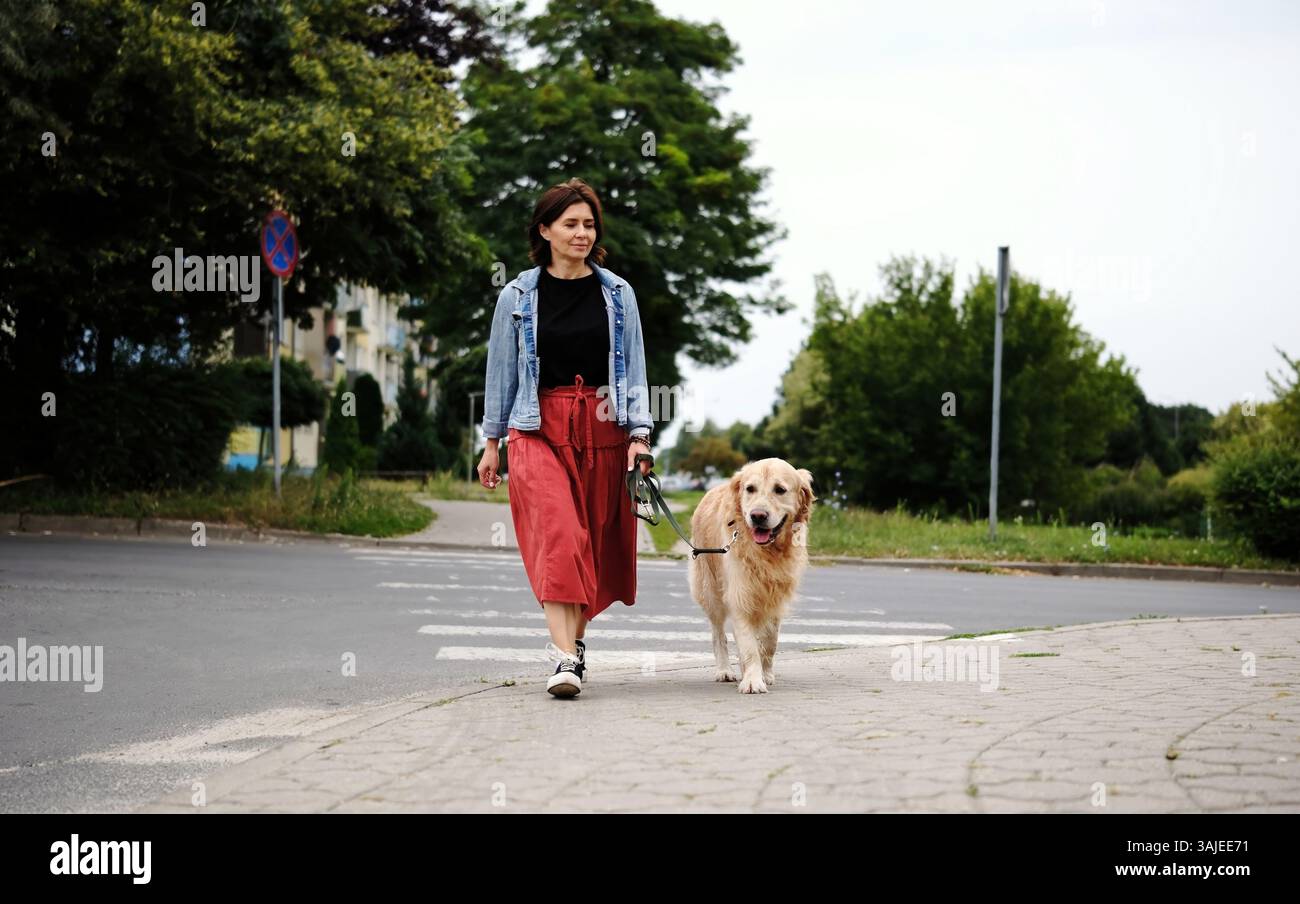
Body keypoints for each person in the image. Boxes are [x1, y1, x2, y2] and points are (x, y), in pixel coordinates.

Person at [476, 178, 654, 698]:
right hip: (535, 428)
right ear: (545, 229)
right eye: (571, 223)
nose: (582, 233)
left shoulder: (618, 294)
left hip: (602, 429)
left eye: (589, 223)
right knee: (561, 536)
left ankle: (572, 648)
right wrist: (491, 442)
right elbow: (501, 373)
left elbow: (636, 369)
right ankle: (564, 659)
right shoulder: (517, 296)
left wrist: (638, 436)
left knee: (592, 547)